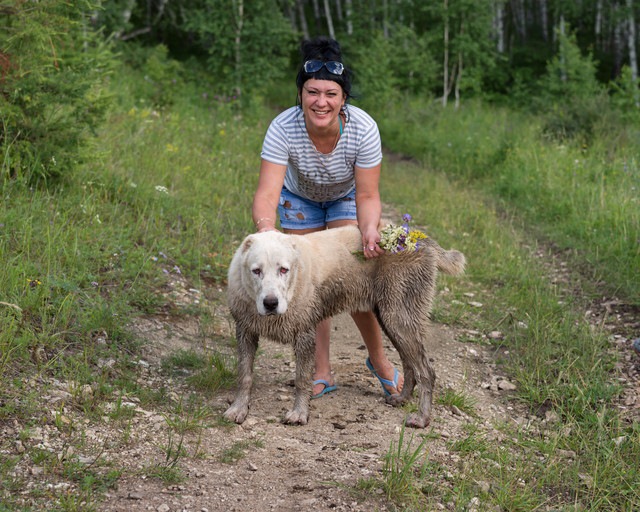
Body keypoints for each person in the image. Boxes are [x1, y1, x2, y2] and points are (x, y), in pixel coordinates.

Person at [251, 36, 403, 399]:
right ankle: (321, 371)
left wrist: (369, 230)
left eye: (330, 94)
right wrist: (266, 234)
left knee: (352, 284)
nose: (321, 102)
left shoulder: (363, 129)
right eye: (312, 92)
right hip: (299, 199)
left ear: (343, 98)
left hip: (346, 198)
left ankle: (379, 360)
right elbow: (267, 193)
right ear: (301, 95)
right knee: (308, 288)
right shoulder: (283, 127)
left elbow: (367, 194)